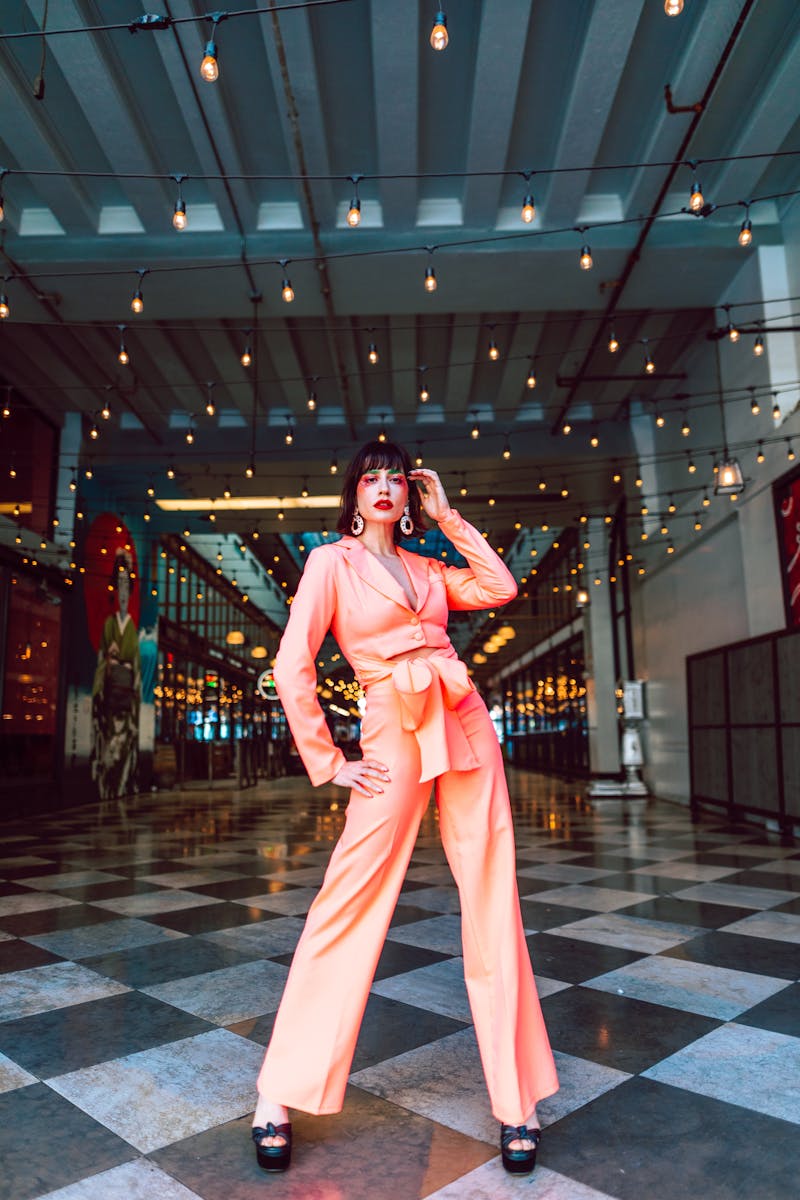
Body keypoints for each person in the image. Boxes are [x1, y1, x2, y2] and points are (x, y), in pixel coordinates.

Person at [252, 441, 558, 1175]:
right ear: (353, 493)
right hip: (391, 725)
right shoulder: (331, 563)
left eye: (396, 479)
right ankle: (278, 1091)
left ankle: (517, 1101)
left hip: (462, 715)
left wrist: (447, 515)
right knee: (347, 902)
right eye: (371, 478)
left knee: (493, 899)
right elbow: (292, 664)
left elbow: (500, 586)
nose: (384, 488)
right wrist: (330, 762)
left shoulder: (427, 568)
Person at [90, 548, 141, 801]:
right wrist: (110, 659)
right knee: (109, 736)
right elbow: (101, 657)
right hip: (112, 689)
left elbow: (137, 664)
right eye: (119, 585)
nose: (122, 592)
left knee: (124, 739)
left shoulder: (132, 625)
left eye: (126, 586)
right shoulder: (110, 623)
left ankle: (121, 784)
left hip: (126, 691)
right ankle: (106, 786)